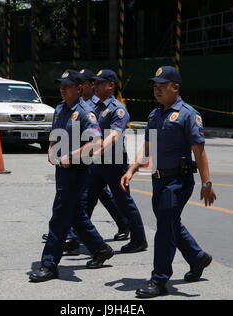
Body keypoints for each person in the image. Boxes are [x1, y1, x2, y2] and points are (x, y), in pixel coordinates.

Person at [120, 66, 217, 298]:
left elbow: (199, 150)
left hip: (178, 180)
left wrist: (206, 183)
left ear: (176, 87)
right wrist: (132, 169)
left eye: (162, 86)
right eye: (155, 86)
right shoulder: (154, 115)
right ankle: (197, 257)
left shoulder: (187, 114)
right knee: (170, 222)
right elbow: (147, 146)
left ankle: (159, 279)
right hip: (159, 180)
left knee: (164, 227)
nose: (157, 90)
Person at [29, 69, 114, 282]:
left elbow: (96, 143)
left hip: (77, 172)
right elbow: (54, 133)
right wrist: (51, 150)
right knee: (76, 214)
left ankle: (49, 264)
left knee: (59, 215)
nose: (62, 89)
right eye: (61, 85)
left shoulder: (86, 113)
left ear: (79, 88)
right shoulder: (60, 108)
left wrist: (71, 156)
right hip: (62, 170)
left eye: (67, 86)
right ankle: (100, 248)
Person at [85, 69, 148, 254]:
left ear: (111, 85)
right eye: (94, 82)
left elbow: (114, 135)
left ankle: (139, 240)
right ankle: (76, 237)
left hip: (114, 163)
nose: (95, 85)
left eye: (99, 82)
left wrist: (97, 148)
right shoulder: (92, 107)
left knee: (124, 203)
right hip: (95, 163)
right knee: (85, 201)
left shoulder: (118, 109)